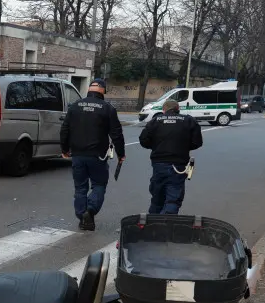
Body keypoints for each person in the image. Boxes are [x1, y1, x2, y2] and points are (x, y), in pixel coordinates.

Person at [60, 77, 125, 231]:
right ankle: (90, 210)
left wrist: (64, 149)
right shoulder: (107, 108)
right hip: (98, 155)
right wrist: (120, 154)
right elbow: (116, 134)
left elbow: (65, 129)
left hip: (78, 154)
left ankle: (82, 216)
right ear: (103, 91)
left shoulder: (75, 106)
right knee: (99, 185)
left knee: (80, 188)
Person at [139, 98, 202, 214]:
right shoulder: (188, 120)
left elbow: (143, 140)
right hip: (178, 165)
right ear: (178, 109)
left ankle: (153, 222)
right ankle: (165, 222)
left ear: (164, 110)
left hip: (159, 164)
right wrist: (184, 147)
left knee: (157, 198)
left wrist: (156, 146)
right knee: (173, 199)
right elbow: (197, 142)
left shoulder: (155, 120)